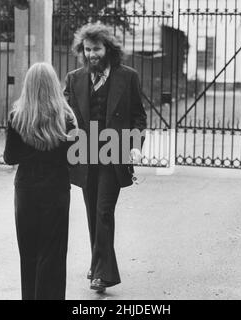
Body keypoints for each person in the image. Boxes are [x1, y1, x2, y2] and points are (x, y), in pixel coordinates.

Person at [64, 23, 147, 293]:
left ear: (108, 49)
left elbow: (138, 116)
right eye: (87, 50)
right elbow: (66, 117)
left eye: (96, 49)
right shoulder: (74, 78)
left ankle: (104, 274)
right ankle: (97, 264)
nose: (91, 55)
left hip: (115, 153)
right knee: (92, 214)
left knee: (103, 211)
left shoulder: (128, 76)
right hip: (85, 155)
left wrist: (135, 145)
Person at [4, 62, 77, 300]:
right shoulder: (66, 117)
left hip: (26, 189)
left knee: (29, 253)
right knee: (53, 254)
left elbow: (9, 157)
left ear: (28, 85)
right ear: (54, 85)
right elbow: (74, 160)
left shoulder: (17, 116)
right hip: (56, 189)